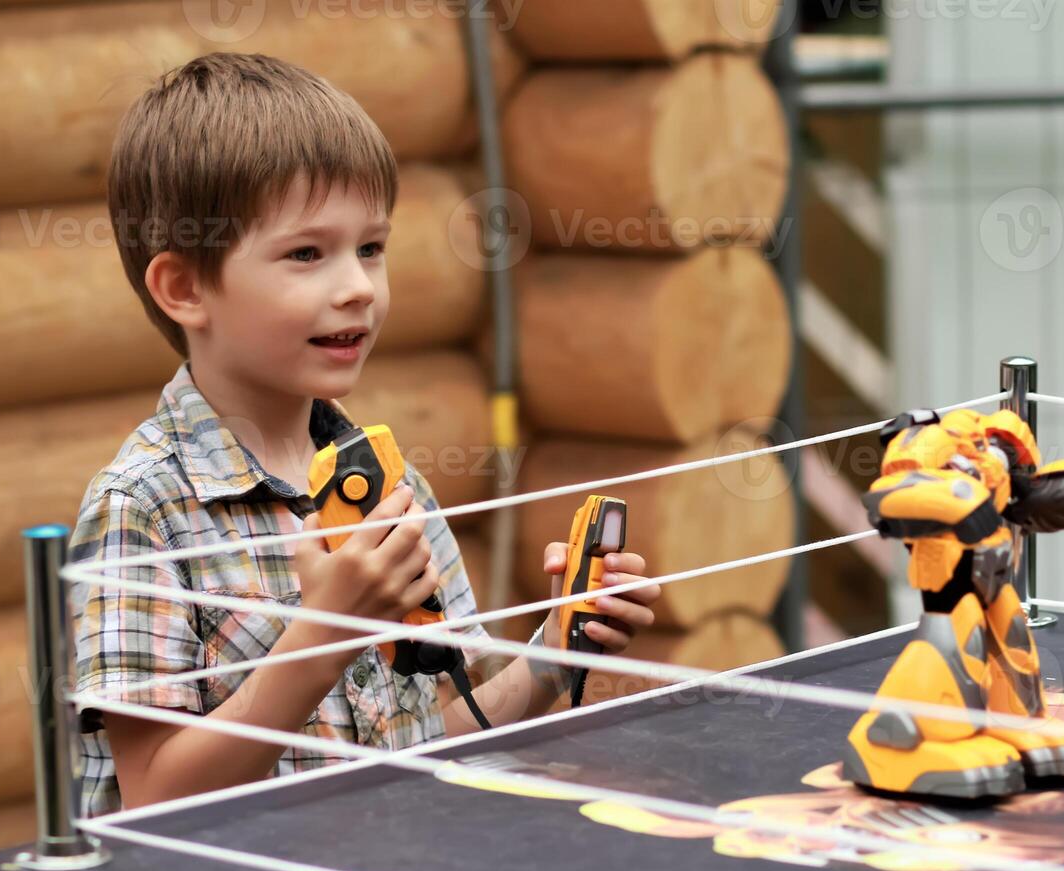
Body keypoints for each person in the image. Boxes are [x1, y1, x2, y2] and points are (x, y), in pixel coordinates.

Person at [68, 52, 660, 817]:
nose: (358, 288)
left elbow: (426, 746)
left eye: (371, 248)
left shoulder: (389, 485)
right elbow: (154, 794)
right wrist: (326, 634)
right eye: (307, 254)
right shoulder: (139, 508)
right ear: (185, 289)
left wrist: (553, 651)